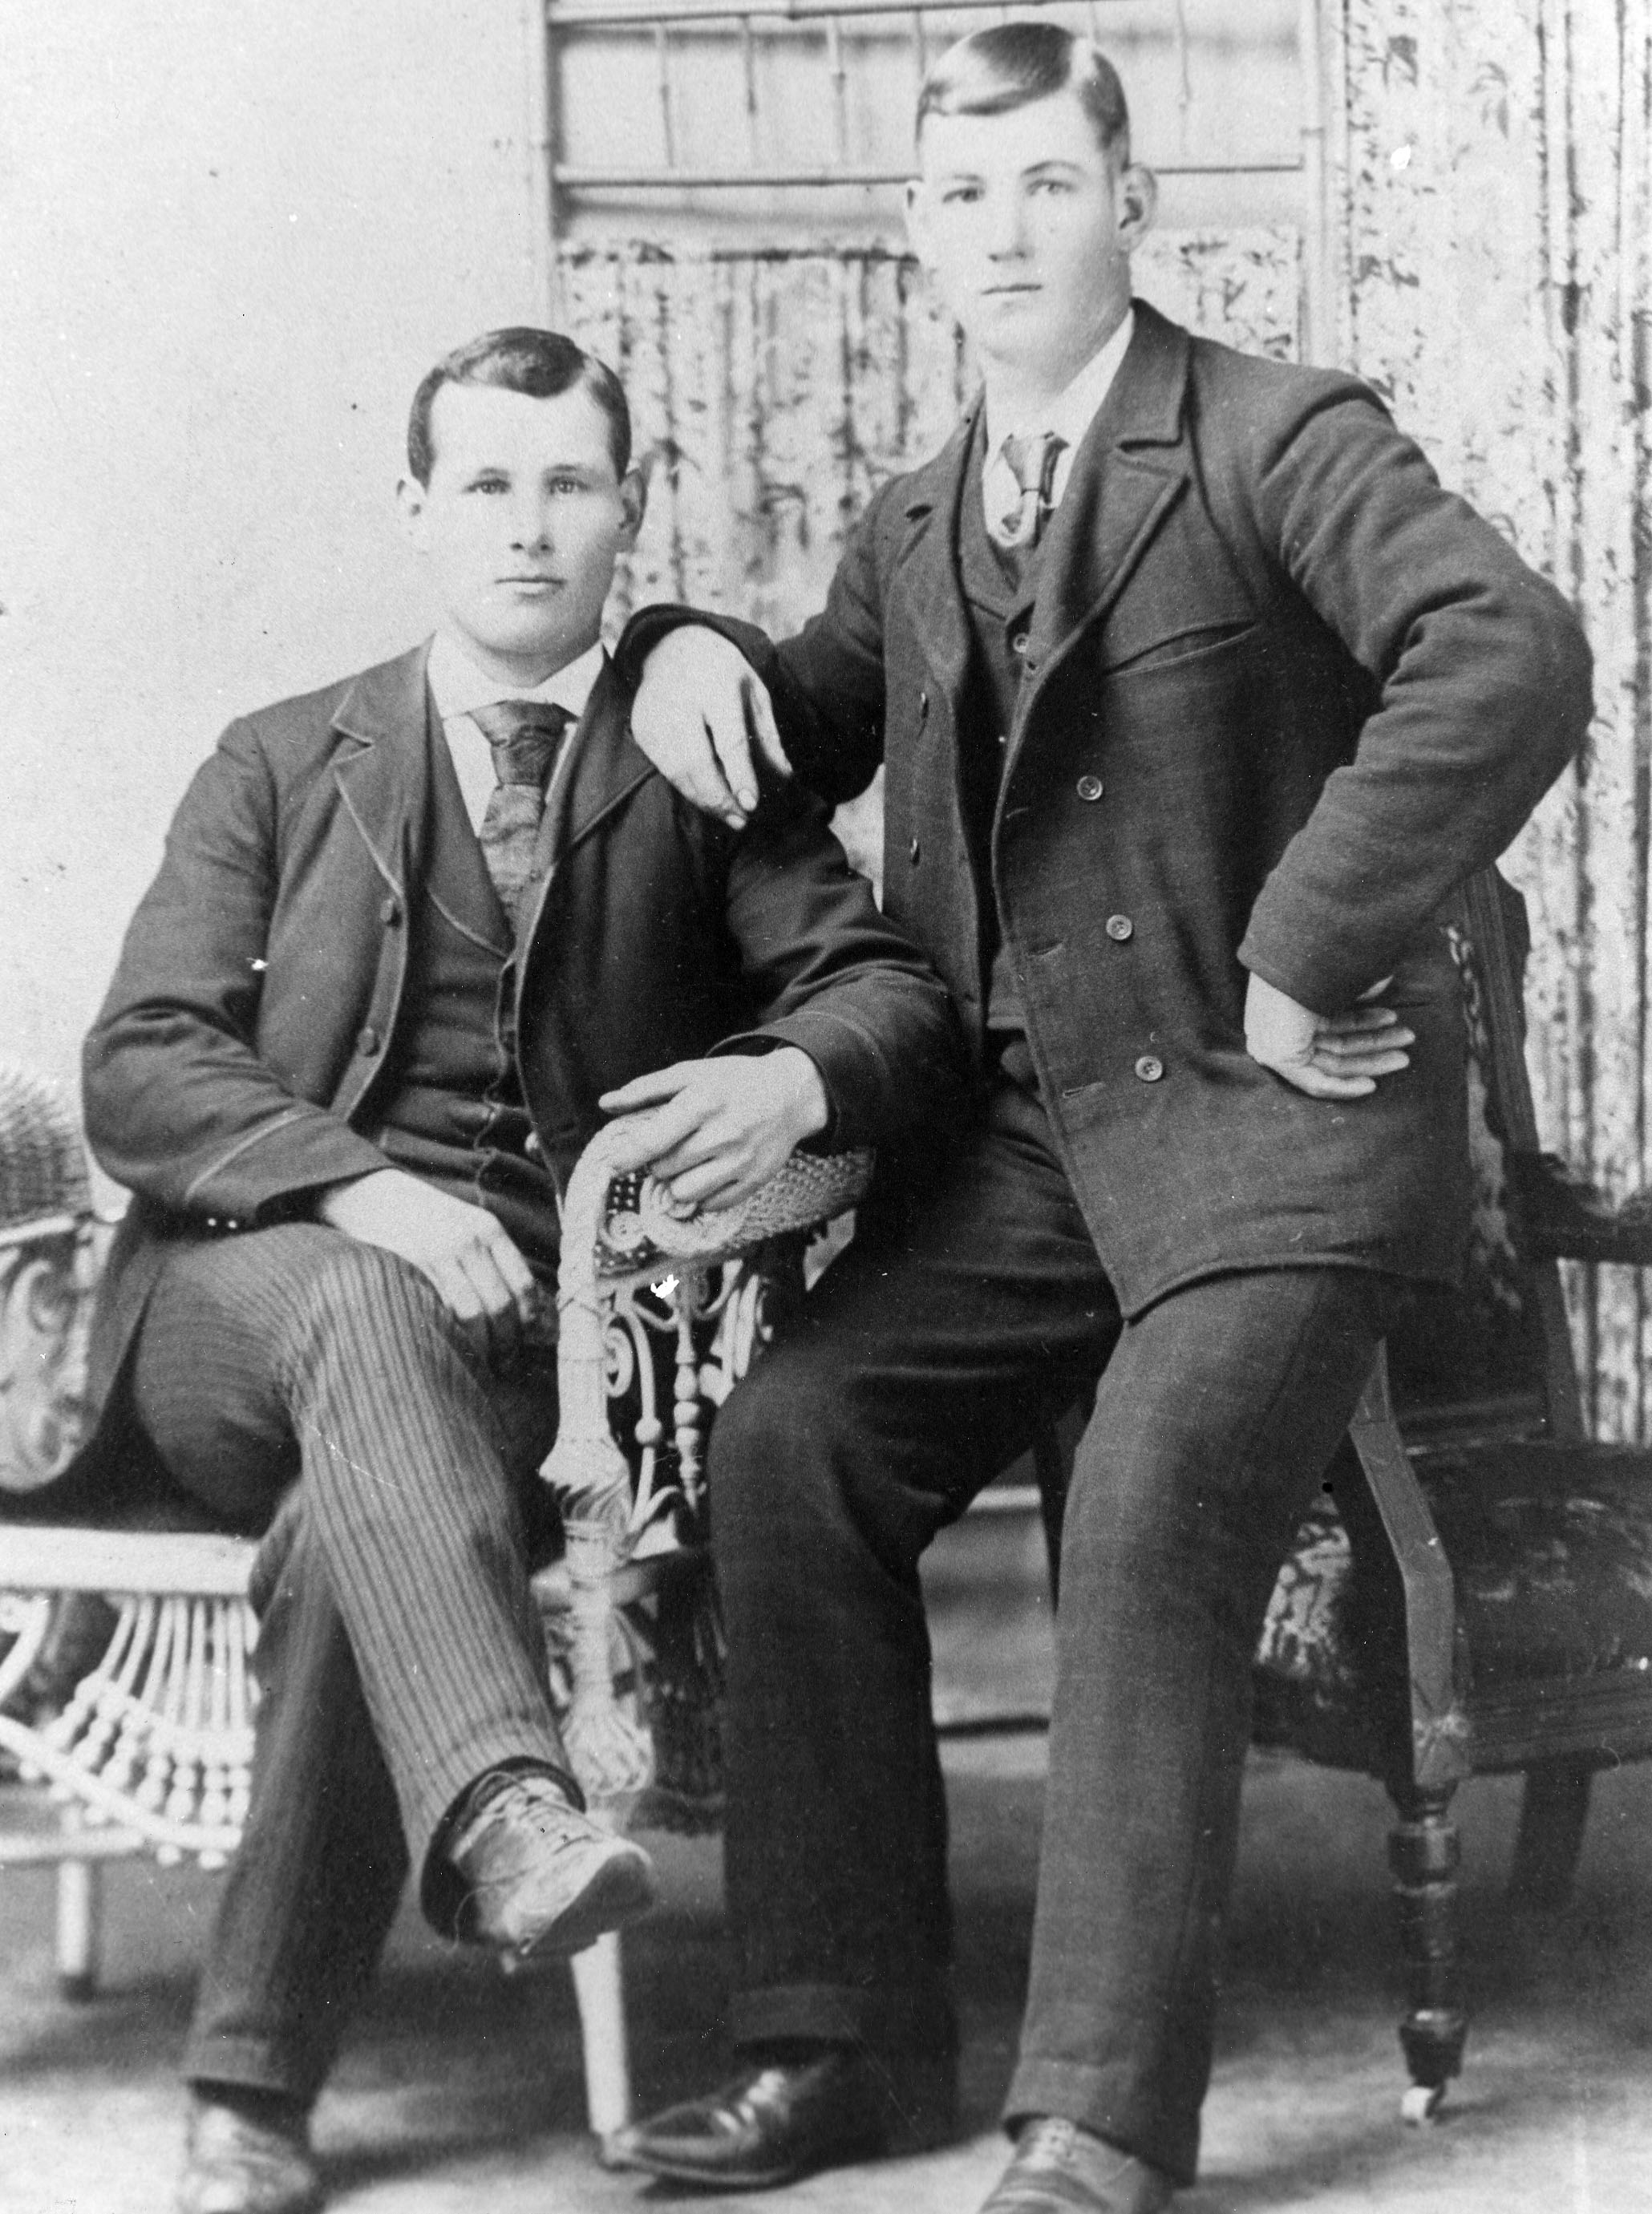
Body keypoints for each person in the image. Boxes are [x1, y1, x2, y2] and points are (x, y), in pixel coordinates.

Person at [607, 28, 1593, 2214]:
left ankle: (1092, 2126)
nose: (1005, 233)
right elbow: (788, 725)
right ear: (913, 234)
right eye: (963, 197)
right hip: (1035, 1154)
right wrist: (672, 643)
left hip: (1277, 1138)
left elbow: (1506, 650)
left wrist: (1303, 942)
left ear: (1130, 205)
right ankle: (840, 2043)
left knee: (1146, 1502)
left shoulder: (1271, 435)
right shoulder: (913, 522)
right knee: (793, 1443)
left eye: (1047, 186)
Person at [2, 326, 963, 2214]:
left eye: (567, 484)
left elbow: (888, 998)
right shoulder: (283, 758)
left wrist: (787, 1072)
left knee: (350, 1526)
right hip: (234, 1308)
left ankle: (248, 2090)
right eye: (488, 485)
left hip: (535, 1359)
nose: (528, 527)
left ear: (627, 509)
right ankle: (512, 1806)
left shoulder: (694, 769)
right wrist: (364, 1190)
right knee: (365, 1312)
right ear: (418, 508)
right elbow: (143, 1060)